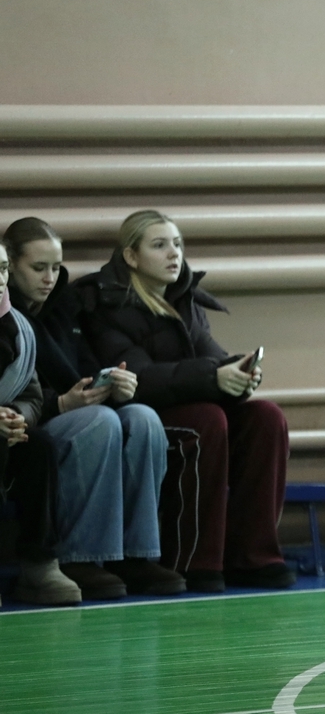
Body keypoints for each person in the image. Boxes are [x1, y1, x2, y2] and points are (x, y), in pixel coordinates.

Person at [76, 210, 294, 592]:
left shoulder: (184, 299)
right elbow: (138, 377)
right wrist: (213, 377)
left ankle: (252, 556)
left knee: (265, 416)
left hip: (187, 404)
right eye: (159, 245)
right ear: (131, 256)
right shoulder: (106, 305)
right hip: (137, 416)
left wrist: (239, 375)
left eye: (177, 244)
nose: (173, 254)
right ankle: (193, 558)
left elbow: (213, 357)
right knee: (205, 421)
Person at [5, 217, 184, 599]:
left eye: (57, 267)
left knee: (142, 417)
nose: (49, 278)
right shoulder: (9, 319)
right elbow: (22, 392)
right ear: (11, 266)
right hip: (39, 420)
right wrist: (61, 403)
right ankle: (82, 556)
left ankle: (136, 554)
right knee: (99, 422)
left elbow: (85, 366)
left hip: (74, 409)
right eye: (38, 268)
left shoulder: (64, 307)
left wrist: (115, 385)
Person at [0, 242, 82, 606]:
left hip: (4, 429)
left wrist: (17, 418)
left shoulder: (18, 328)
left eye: (2, 269)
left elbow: (32, 396)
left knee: (37, 445)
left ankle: (39, 565)